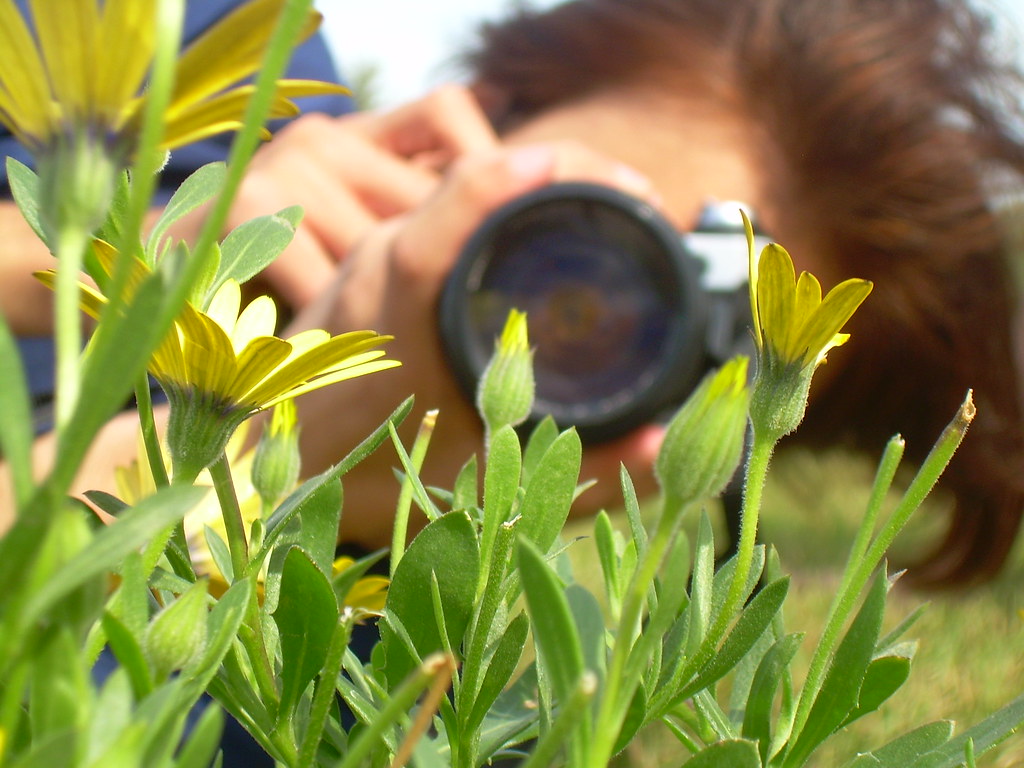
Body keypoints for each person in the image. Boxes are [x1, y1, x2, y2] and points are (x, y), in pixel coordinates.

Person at [4, 0, 1023, 590]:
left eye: (686, 345)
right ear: (457, 136)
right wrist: (111, 262)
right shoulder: (200, 44)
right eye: (560, 237)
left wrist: (270, 481)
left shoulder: (434, 718)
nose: (549, 335)